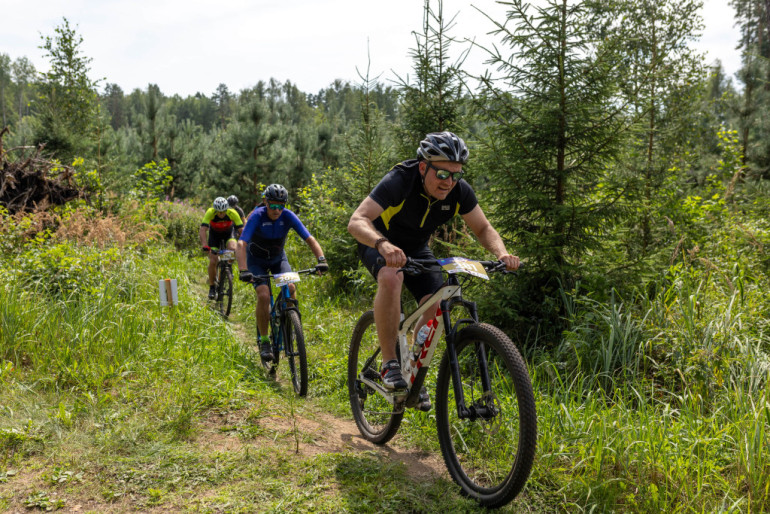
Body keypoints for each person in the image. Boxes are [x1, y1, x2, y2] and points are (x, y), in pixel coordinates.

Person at [347, 131, 520, 411]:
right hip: (378, 241)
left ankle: (412, 369)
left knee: (437, 304)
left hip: (416, 248)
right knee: (392, 277)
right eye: (442, 174)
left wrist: (501, 253)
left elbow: (483, 228)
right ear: (424, 166)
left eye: (456, 175)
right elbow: (357, 221)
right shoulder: (401, 180)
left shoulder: (459, 191)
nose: (449, 182)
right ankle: (390, 362)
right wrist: (382, 244)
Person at [236, 184, 329, 361]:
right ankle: (264, 341)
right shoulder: (257, 216)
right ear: (266, 202)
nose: (277, 210)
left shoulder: (288, 216)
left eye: (281, 205)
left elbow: (309, 239)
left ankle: (291, 325)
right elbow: (241, 244)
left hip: (278, 259)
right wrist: (243, 270)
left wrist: (321, 260)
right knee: (263, 295)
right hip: (256, 261)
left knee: (291, 287)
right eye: (273, 205)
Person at [200, 196, 244, 299]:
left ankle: (227, 269)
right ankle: (212, 287)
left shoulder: (232, 212)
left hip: (229, 233)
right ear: (215, 210)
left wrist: (243, 244)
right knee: (213, 260)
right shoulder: (210, 212)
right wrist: (204, 245)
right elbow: (203, 229)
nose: (221, 214)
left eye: (223, 211)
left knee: (232, 249)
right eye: (218, 212)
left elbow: (241, 230)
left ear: (226, 209)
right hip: (214, 236)